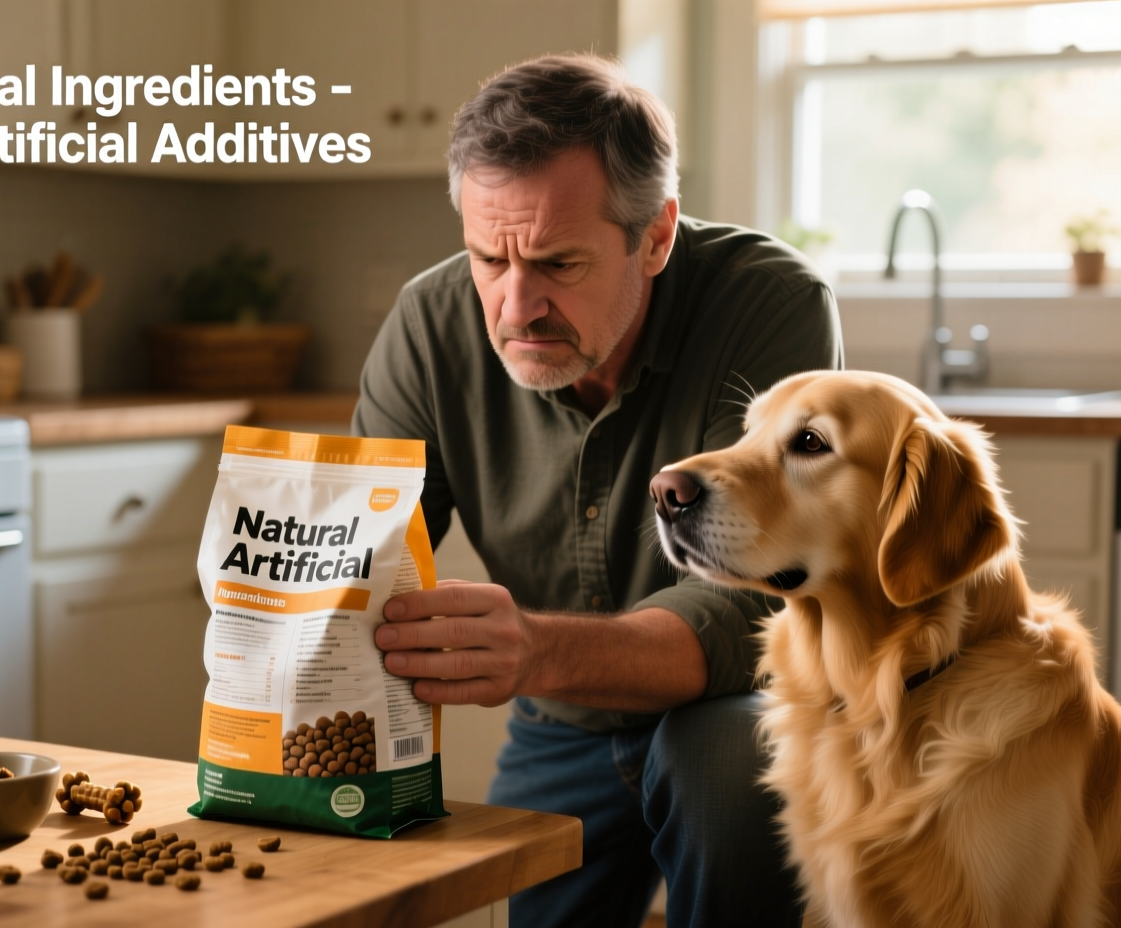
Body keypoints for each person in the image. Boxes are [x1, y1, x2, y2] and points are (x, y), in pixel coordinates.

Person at [354, 54, 841, 928]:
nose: (514, 308)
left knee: (725, 769)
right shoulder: (428, 325)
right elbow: (364, 559)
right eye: (487, 259)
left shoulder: (769, 306)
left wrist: (534, 650)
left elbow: (757, 608)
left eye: (556, 264)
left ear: (655, 237)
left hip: (730, 707)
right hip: (560, 721)